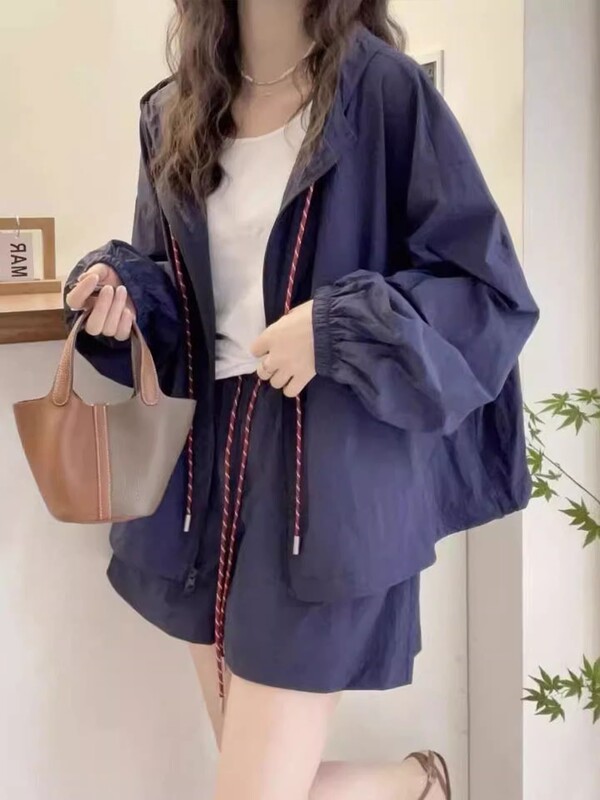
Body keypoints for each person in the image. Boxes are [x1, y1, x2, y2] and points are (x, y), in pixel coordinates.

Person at [64, 1, 538, 797]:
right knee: (259, 779)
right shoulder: (174, 110)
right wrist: (124, 294)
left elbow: (486, 291)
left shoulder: (381, 93)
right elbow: (176, 293)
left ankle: (416, 785)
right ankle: (416, 785)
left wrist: (335, 329)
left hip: (327, 475)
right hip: (202, 476)